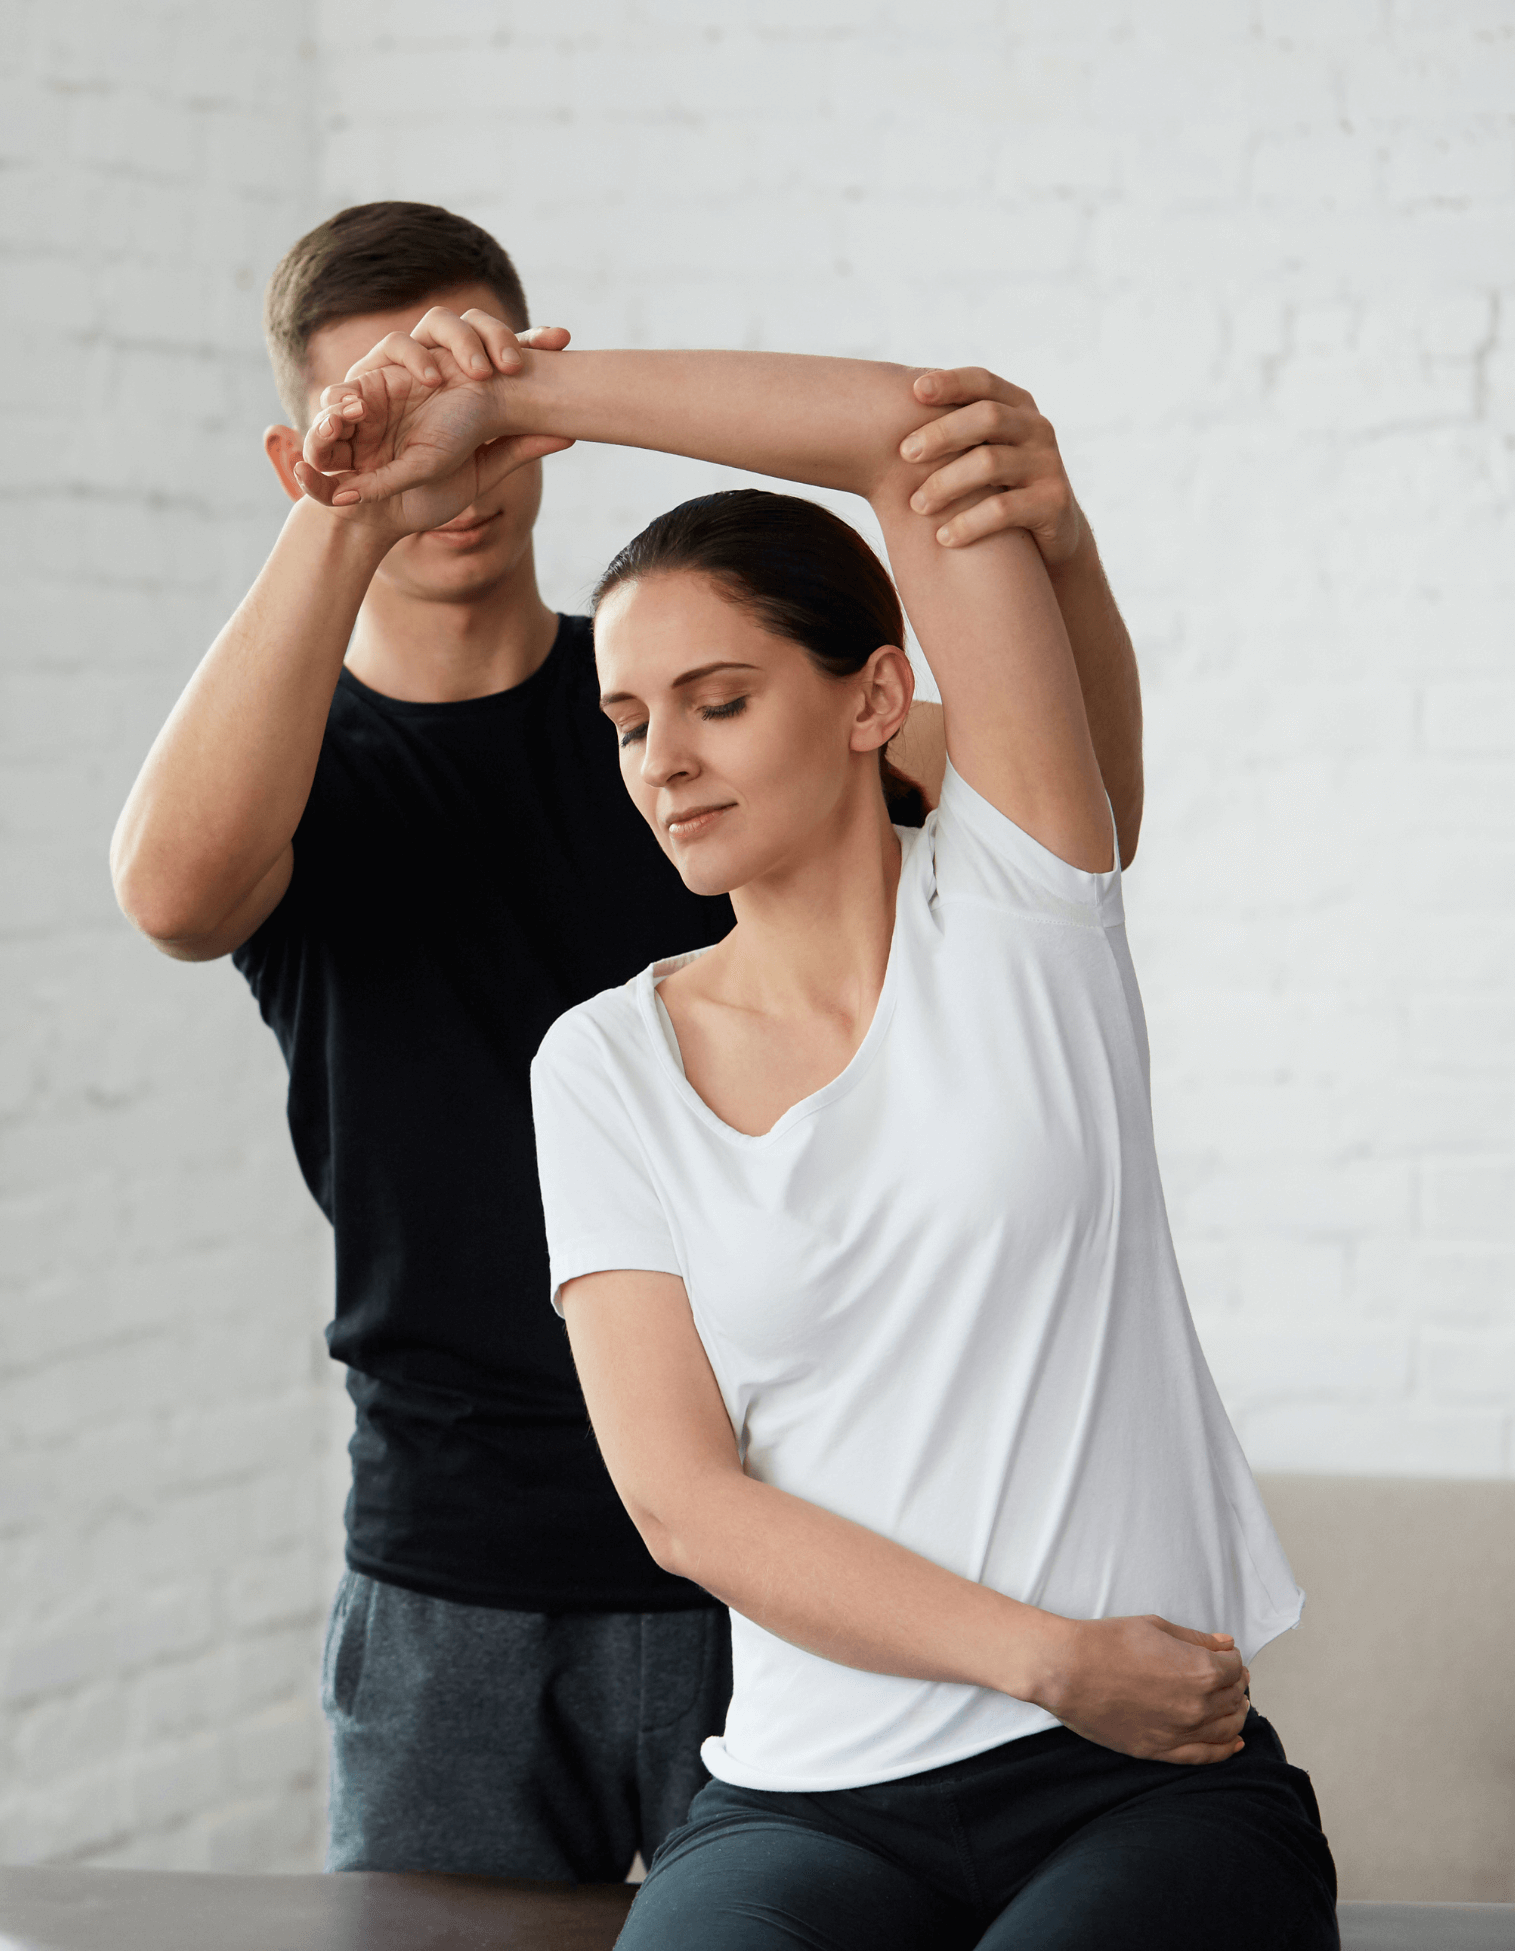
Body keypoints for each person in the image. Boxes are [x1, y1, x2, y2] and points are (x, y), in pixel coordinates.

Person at [110, 201, 1144, 1883]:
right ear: (301, 448)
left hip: (795, 1548)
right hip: (452, 1585)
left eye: (472, 391)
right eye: (371, 407)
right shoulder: (297, 762)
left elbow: (1067, 818)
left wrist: (1066, 562)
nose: (445, 463)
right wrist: (355, 495)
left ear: (537, 379)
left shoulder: (697, 715)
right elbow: (169, 893)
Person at [295, 341, 1338, 1946]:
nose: (666, 763)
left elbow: (901, 433)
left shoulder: (1024, 913)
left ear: (874, 697)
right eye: (631, 721)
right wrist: (1047, 1656)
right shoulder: (602, 1066)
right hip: (805, 1801)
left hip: (1144, 1788)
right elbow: (686, 1508)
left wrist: (513, 406)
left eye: (719, 701)